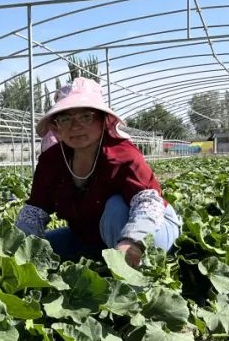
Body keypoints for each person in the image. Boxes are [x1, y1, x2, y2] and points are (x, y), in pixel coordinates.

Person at [15, 77, 181, 266]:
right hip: (90, 236)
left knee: (116, 207)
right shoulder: (51, 160)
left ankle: (133, 274)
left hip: (152, 229)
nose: (75, 126)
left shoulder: (123, 155)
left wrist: (132, 240)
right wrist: (18, 247)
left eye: (86, 116)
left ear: (103, 120)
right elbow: (36, 209)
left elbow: (148, 202)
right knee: (38, 250)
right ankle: (106, 255)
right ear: (56, 126)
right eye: (65, 118)